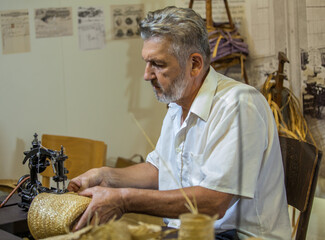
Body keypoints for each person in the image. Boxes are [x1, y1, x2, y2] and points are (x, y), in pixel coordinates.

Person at [68, 6, 291, 239]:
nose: (146, 75)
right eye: (146, 62)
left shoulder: (239, 105)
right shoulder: (178, 103)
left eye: (158, 64)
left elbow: (214, 203)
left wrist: (124, 200)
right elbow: (160, 171)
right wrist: (106, 177)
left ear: (194, 64)